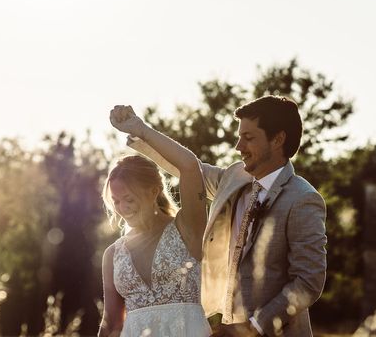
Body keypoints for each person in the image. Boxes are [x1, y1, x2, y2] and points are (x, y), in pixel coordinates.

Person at [118, 96, 327, 337]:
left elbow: (308, 282)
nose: (239, 147)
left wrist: (253, 327)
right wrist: (140, 131)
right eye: (239, 137)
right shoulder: (234, 177)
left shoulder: (302, 199)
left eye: (248, 138)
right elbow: (188, 169)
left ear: (278, 139)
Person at [98, 106, 211, 337]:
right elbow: (111, 324)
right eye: (116, 202)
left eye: (129, 198)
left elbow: (190, 166)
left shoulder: (186, 228)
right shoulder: (113, 254)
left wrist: (141, 130)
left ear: (153, 191)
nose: (123, 208)